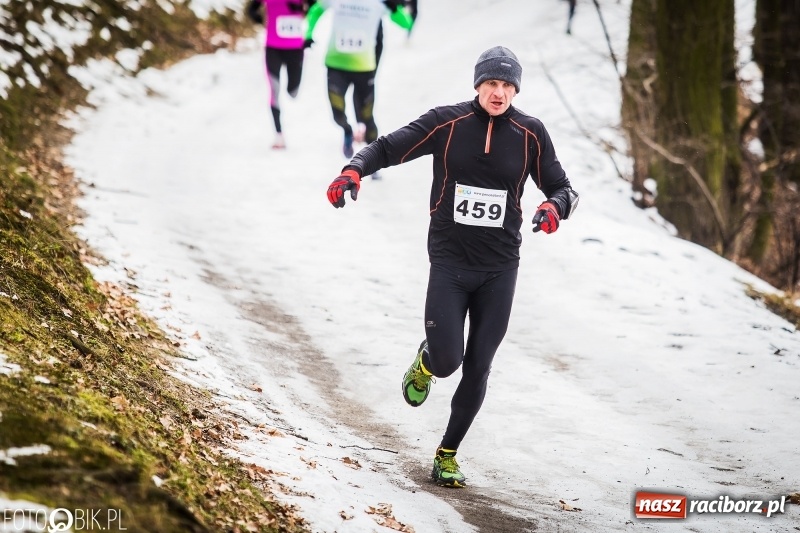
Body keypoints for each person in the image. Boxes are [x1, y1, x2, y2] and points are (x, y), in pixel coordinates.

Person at [324, 46, 579, 487]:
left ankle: (447, 453)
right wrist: (354, 169)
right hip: (449, 261)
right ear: (477, 85)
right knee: (448, 361)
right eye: (491, 84)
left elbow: (563, 187)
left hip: (500, 267)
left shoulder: (529, 133)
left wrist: (554, 207)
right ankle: (426, 361)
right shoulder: (447, 122)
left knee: (479, 365)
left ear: (516, 89)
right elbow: (389, 146)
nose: (498, 93)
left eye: (507, 85)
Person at [304, 0, 414, 163]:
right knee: (337, 113)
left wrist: (393, 7)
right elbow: (315, 11)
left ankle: (375, 158)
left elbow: (406, 24)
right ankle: (347, 131)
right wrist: (308, 34)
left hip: (364, 68)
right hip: (336, 65)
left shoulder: (378, 3)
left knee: (367, 116)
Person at [247, 0, 311, 149]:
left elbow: (315, 8)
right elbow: (252, 8)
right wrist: (257, 17)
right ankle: (279, 135)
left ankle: (279, 135)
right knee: (274, 90)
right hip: (273, 49)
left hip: (296, 50)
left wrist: (305, 12)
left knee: (293, 92)